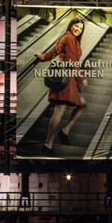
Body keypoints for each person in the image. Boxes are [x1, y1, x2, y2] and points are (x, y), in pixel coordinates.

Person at [35, 18, 87, 152]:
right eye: (76, 26)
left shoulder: (65, 38)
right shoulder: (68, 39)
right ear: (71, 25)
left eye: (81, 28)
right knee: (59, 111)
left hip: (65, 78)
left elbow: (51, 54)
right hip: (66, 78)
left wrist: (41, 56)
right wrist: (81, 78)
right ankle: (48, 144)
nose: (78, 30)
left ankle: (64, 131)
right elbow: (71, 60)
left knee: (82, 105)